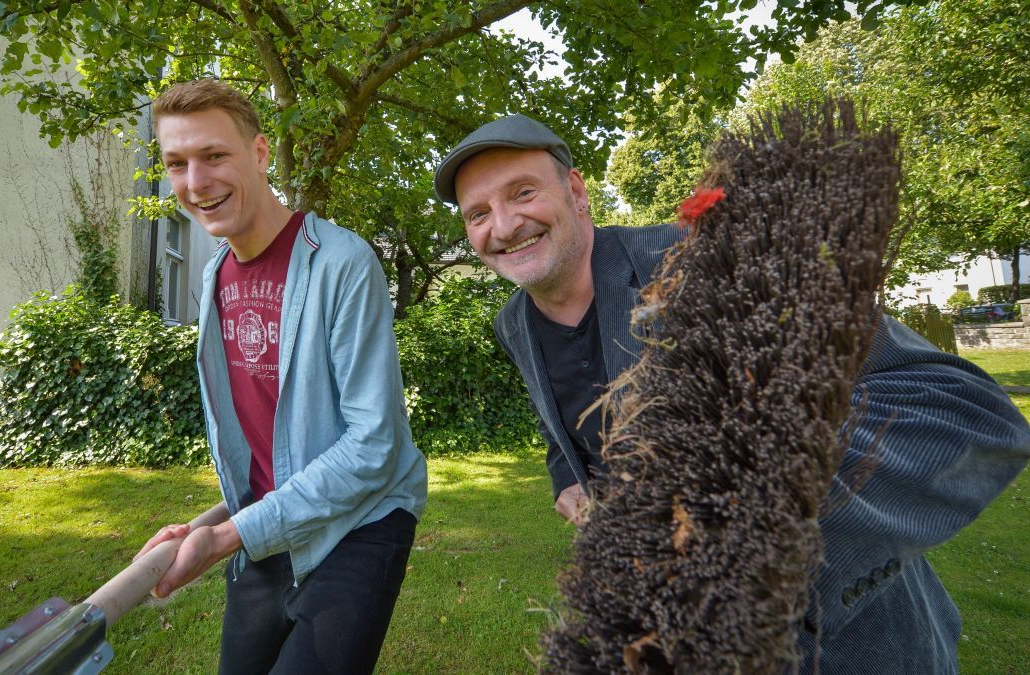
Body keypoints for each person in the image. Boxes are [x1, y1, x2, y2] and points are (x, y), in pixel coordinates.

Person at [434, 113, 1030, 673]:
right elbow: (560, 425)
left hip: (846, 646)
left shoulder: (711, 259)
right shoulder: (514, 323)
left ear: (576, 191)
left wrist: (752, 537)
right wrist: (566, 474)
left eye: (522, 193)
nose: (503, 226)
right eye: (476, 213)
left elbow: (956, 404)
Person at [135, 79, 427, 675]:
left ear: (261, 153)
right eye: (177, 164)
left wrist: (226, 538)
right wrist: (209, 525)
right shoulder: (214, 275)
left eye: (215, 156)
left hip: (363, 521)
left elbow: (375, 444)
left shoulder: (343, 263)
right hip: (271, 520)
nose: (197, 182)